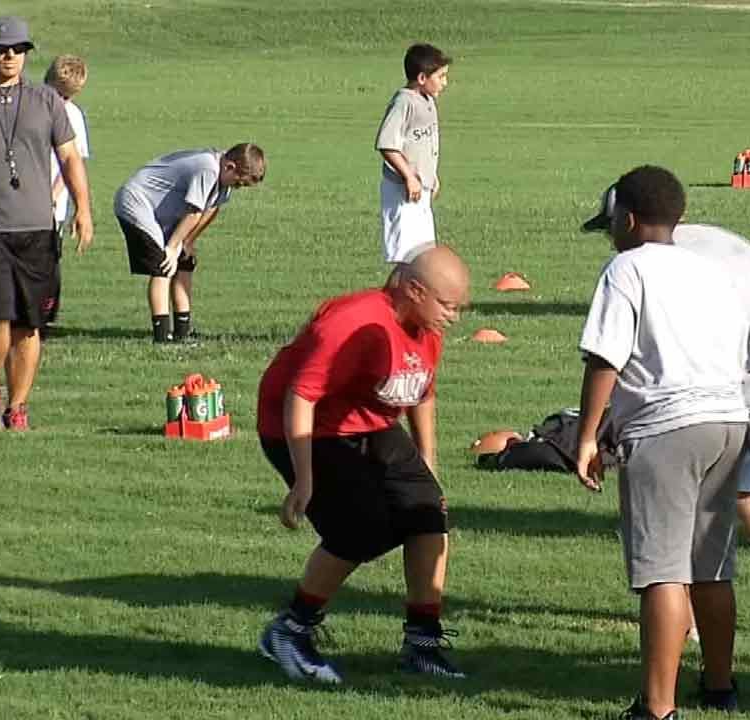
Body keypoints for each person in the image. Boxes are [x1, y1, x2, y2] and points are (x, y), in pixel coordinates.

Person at [582, 188, 750, 633]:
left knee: (692, 505)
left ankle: (690, 617)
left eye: (611, 231)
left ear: (629, 222)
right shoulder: (715, 239)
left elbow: (652, 347)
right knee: (740, 488)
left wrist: (604, 423)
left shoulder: (657, 264)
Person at [574, 166, 749, 720]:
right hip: (729, 420)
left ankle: (657, 707)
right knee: (712, 566)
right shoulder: (712, 270)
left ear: (625, 219)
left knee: (661, 570)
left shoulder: (626, 270)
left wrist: (586, 437)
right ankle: (720, 685)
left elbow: (607, 357)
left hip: (666, 428)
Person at [256, 245, 470, 684]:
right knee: (361, 529)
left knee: (428, 512)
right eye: (448, 306)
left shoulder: (426, 325)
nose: (455, 317)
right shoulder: (353, 322)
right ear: (414, 290)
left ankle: (422, 644)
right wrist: (304, 479)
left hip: (368, 421)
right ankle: (289, 631)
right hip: (304, 427)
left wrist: (427, 461)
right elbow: (302, 395)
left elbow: (422, 391)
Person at [0, 15, 93, 432]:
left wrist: (83, 209)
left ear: (26, 54)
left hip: (37, 229)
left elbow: (69, 158)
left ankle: (19, 407)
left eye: (17, 49)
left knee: (30, 326)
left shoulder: (47, 101)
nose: (9, 56)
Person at [113, 143, 265, 342]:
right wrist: (172, 246)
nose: (238, 188)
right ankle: (161, 336)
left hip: (164, 212)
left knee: (185, 261)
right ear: (230, 166)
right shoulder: (208, 169)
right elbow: (194, 212)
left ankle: (182, 332)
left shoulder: (223, 178)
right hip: (136, 202)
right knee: (163, 265)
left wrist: (188, 242)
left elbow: (210, 209)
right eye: (239, 183)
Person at [376, 43, 449, 264]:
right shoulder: (404, 102)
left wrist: (430, 177)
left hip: (420, 189)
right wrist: (409, 177)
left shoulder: (427, 101)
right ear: (421, 78)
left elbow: (423, 144)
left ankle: (418, 297)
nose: (445, 82)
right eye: (441, 76)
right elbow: (387, 144)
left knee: (424, 253)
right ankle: (400, 297)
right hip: (403, 191)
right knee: (406, 255)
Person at [43, 54, 90, 331]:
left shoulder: (72, 115)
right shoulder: (31, 102)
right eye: (57, 94)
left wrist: (55, 192)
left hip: (52, 204)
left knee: (49, 260)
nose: (61, 102)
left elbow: (73, 160)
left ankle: (46, 315)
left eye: (67, 97)